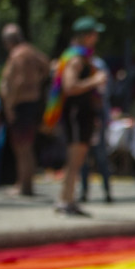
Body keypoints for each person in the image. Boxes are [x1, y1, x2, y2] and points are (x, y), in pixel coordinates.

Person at [46, 16, 108, 217]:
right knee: (74, 159)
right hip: (76, 113)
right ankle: (65, 200)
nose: (96, 37)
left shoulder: (83, 57)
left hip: (83, 114)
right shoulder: (76, 59)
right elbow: (70, 87)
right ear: (86, 36)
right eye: (94, 34)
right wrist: (95, 80)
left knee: (78, 159)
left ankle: (68, 199)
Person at [0, 24, 50, 197]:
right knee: (26, 146)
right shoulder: (31, 51)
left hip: (21, 104)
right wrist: (37, 83)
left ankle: (24, 186)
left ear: (9, 41)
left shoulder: (18, 54)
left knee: (22, 147)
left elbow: (18, 80)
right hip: (31, 102)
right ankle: (24, 183)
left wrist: (10, 104)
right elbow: (47, 65)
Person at [79, 55, 114, 203]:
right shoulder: (81, 63)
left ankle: (106, 192)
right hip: (85, 116)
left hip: (96, 117)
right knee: (83, 158)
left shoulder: (97, 65)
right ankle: (84, 192)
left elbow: (102, 93)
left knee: (100, 157)